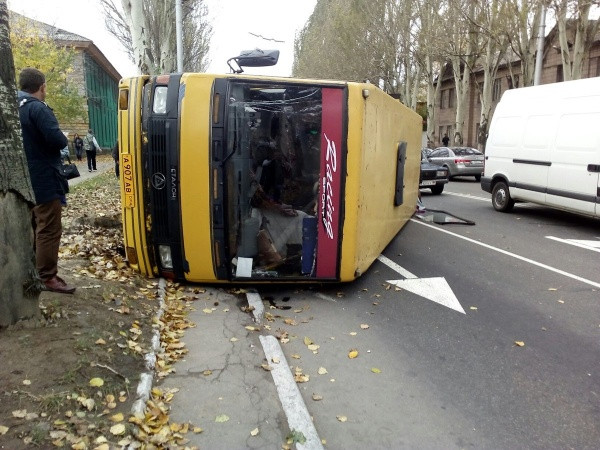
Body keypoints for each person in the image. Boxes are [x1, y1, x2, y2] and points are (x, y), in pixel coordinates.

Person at [17, 67, 75, 294]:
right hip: (44, 177)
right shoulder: (37, 109)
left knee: (33, 225)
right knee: (49, 227)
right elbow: (56, 140)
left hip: (23, 178)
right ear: (42, 87)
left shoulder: (13, 107)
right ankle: (47, 277)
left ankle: (33, 270)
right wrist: (62, 137)